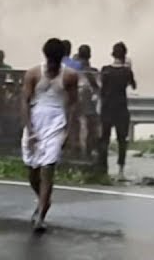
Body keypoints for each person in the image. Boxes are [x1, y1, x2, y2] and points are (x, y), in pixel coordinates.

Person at [20, 37, 80, 233]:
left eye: (56, 62)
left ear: (61, 59)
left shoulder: (70, 76)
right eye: (51, 62)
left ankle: (41, 214)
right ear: (46, 57)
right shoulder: (33, 73)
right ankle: (43, 199)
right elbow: (25, 102)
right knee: (32, 172)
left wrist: (67, 133)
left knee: (48, 168)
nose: (53, 66)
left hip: (56, 123)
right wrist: (29, 130)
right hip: (36, 122)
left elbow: (72, 105)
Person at [99, 42, 136, 179]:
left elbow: (101, 89)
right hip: (121, 109)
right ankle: (120, 172)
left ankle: (103, 170)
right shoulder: (127, 72)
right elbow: (133, 85)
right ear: (124, 55)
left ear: (112, 54)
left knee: (104, 140)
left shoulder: (105, 70)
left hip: (106, 108)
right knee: (122, 140)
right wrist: (130, 67)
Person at [74, 44, 102, 162]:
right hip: (86, 102)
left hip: (74, 101)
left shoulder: (73, 66)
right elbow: (95, 85)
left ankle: (81, 152)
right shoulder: (87, 70)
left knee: (81, 126)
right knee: (89, 126)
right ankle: (86, 152)